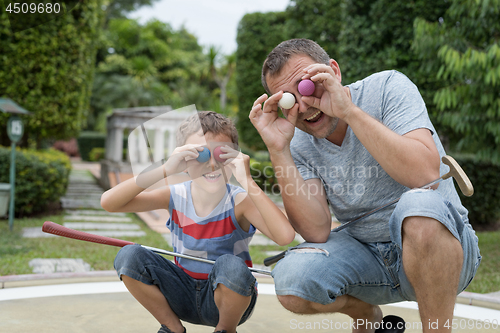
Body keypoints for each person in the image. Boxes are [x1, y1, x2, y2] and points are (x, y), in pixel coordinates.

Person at [249, 38, 481, 333]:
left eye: (307, 86)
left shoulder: (388, 87)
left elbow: (423, 175)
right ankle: (366, 314)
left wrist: (348, 112)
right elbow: (315, 230)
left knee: (418, 204)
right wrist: (278, 149)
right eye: (290, 100)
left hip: (445, 251)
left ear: (334, 71)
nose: (305, 105)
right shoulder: (295, 139)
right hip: (369, 259)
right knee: (292, 279)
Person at [101, 111, 295, 333]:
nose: (212, 164)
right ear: (183, 160)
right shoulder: (175, 195)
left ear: (234, 158)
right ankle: (172, 328)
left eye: (221, 155)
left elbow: (285, 236)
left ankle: (224, 330)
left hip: (228, 302)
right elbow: (109, 203)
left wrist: (247, 180)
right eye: (200, 155)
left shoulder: (240, 201)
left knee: (230, 265)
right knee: (129, 256)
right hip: (181, 296)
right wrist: (165, 169)